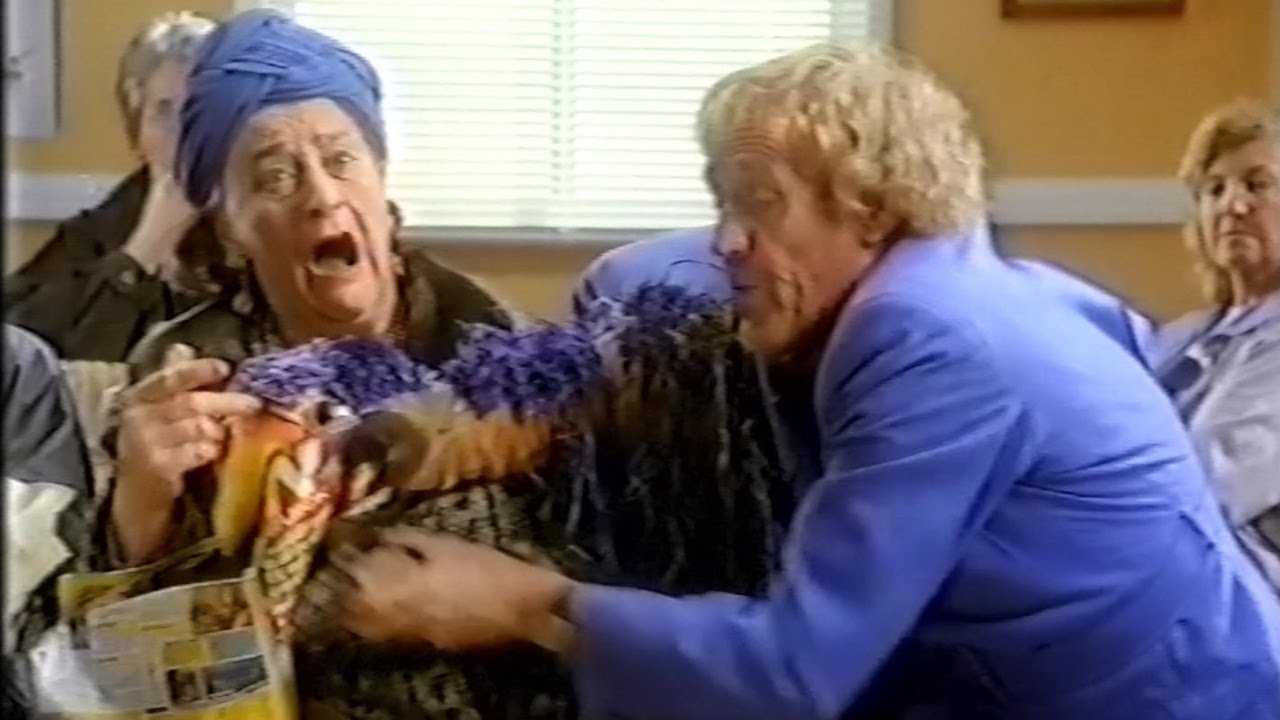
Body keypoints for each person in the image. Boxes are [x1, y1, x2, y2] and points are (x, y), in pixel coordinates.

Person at [337, 44, 1280, 719]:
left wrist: (517, 602)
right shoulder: (1004, 285)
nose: (726, 240)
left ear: (873, 211)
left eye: (759, 203)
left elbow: (793, 674)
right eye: (721, 201)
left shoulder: (925, 334)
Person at [6, 12, 222, 361]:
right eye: (163, 111)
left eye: (200, 110)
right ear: (137, 131)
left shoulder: (264, 220)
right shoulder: (92, 236)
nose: (183, 134)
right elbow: (29, 362)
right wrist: (141, 251)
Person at [1152, 100, 1280, 590]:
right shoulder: (1177, 337)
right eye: (1215, 189)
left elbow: (1208, 486)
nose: (1232, 206)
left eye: (1257, 185)